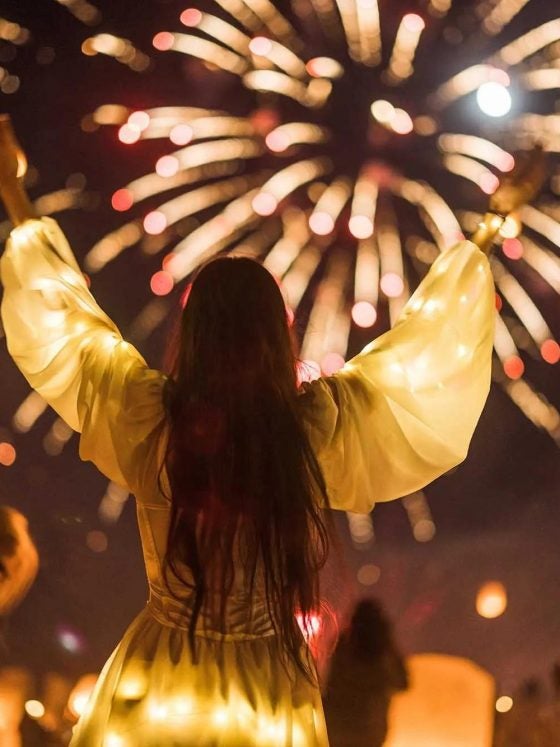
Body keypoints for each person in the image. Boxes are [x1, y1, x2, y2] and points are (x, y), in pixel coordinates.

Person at [0, 114, 498, 746]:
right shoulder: (312, 428)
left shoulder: (150, 416)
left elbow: (65, 319)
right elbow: (425, 351)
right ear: (275, 335)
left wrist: (13, 192)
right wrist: (492, 224)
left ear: (194, 333)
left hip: (159, 675)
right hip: (267, 686)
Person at [322, 599, 407, 747]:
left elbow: (332, 684)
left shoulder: (344, 646)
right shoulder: (386, 653)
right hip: (370, 729)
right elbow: (402, 682)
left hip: (340, 727)